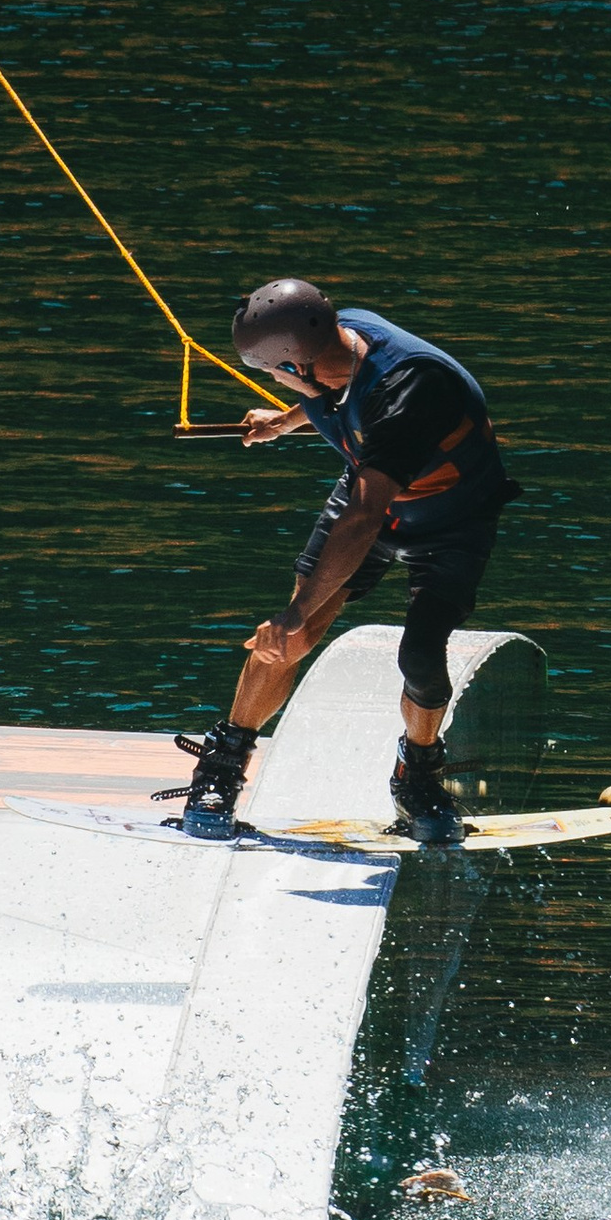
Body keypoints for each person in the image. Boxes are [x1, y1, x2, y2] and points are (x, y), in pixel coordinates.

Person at [169, 277, 520, 845]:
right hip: (372, 496)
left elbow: (363, 517)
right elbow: (337, 399)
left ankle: (419, 773)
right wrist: (283, 422)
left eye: (275, 373)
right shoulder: (338, 341)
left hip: (451, 523)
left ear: (301, 365)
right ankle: (222, 765)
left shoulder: (414, 389)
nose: (276, 380)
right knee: (292, 637)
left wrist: (300, 610)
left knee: (422, 658)